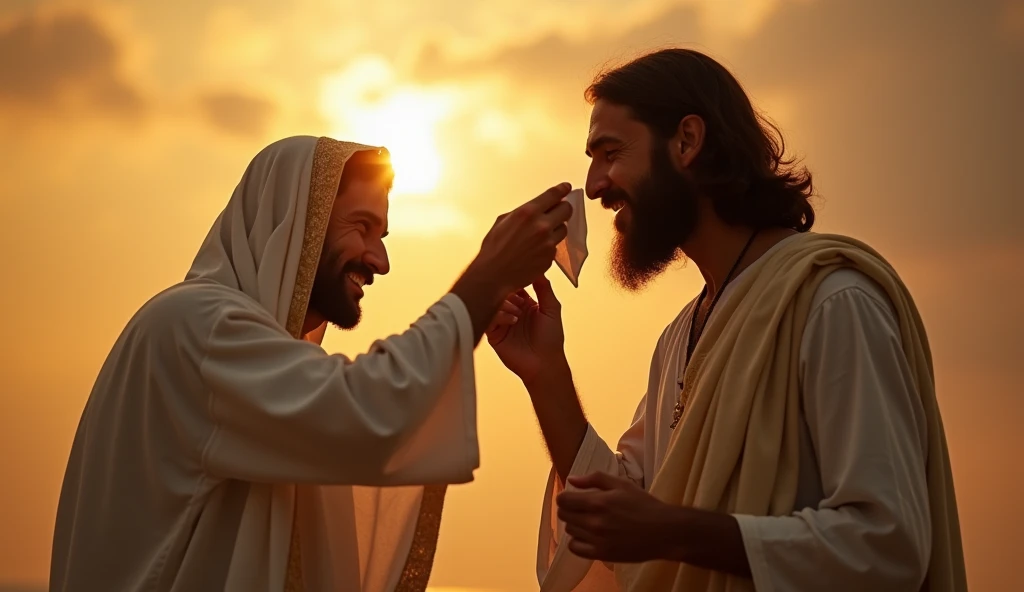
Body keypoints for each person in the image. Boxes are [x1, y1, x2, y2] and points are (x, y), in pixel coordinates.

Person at [488, 49, 968, 592]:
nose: (594, 186)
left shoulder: (833, 303)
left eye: (610, 153)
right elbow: (629, 518)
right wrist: (546, 373)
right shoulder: (683, 334)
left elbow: (888, 545)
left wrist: (674, 533)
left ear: (688, 142)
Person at [50, 135, 574, 591]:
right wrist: (481, 282)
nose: (380, 261)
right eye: (361, 227)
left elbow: (344, 426)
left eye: (383, 236)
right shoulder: (197, 323)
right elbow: (366, 416)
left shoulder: (214, 331)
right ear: (294, 224)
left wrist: (480, 318)